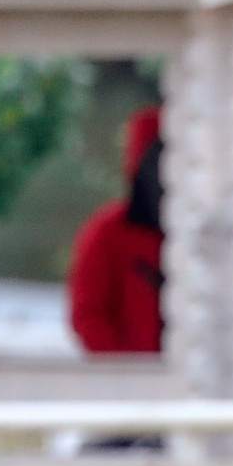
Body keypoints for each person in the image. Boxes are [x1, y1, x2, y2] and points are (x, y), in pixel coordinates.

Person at [67, 105, 164, 355]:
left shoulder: (209, 234)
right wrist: (128, 375)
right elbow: (87, 316)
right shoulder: (106, 233)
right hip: (129, 384)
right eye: (156, 161)